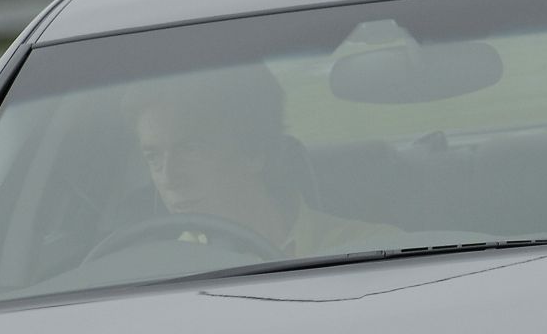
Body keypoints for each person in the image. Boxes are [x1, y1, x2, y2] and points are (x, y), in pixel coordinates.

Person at [133, 64, 398, 257]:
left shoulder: (374, 250)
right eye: (153, 156)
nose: (169, 179)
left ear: (254, 151)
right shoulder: (160, 269)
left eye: (191, 149)